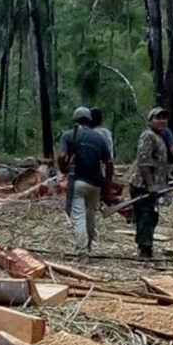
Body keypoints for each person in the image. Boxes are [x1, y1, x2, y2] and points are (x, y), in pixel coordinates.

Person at [56, 106, 115, 254]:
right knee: (90, 215)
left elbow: (62, 155)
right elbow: (109, 163)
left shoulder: (68, 135)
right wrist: (107, 186)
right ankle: (88, 246)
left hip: (78, 181)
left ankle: (82, 250)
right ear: (90, 120)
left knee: (77, 216)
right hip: (96, 183)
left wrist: (63, 169)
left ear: (75, 119)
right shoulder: (99, 138)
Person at [133, 107, 173, 258]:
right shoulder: (148, 136)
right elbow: (144, 163)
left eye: (164, 118)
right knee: (146, 216)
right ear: (150, 121)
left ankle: (145, 246)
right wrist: (150, 184)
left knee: (151, 216)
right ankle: (145, 249)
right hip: (143, 186)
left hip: (155, 185)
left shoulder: (160, 137)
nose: (162, 121)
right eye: (158, 118)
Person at [90, 106, 120, 205]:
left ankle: (127, 211)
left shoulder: (93, 134)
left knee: (105, 196)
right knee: (107, 194)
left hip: (98, 170)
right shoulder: (107, 132)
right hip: (108, 168)